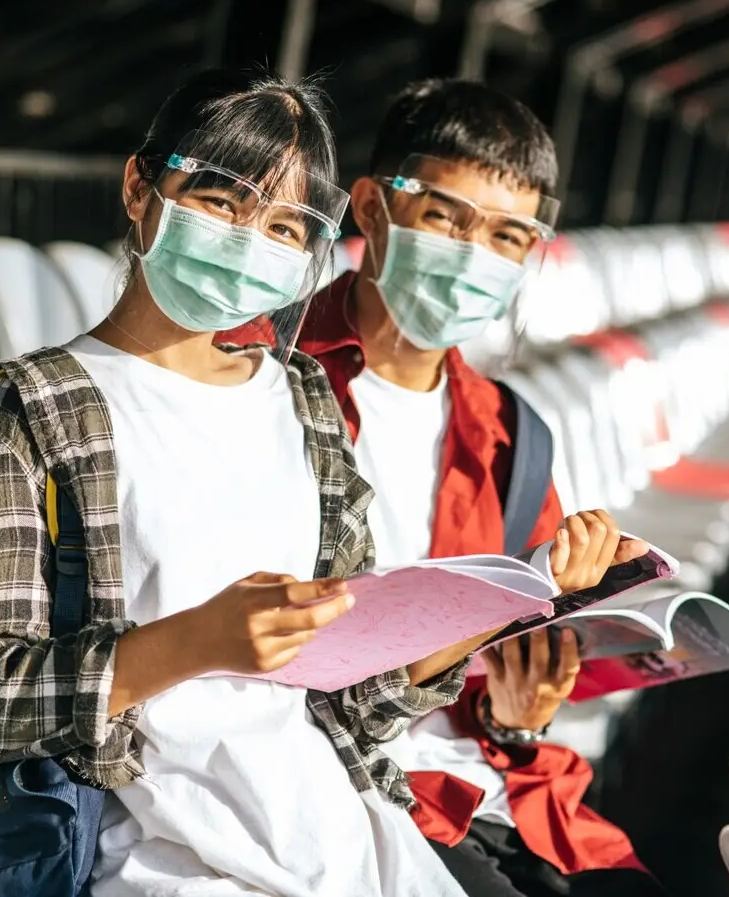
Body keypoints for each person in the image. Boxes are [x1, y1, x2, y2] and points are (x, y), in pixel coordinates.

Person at [0, 68, 509, 897]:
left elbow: (347, 705)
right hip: (165, 863)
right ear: (140, 185)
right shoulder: (39, 405)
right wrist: (193, 644)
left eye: (281, 226)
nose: (248, 242)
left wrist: (482, 617)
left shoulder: (302, 397)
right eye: (220, 202)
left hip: (344, 842)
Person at [226, 79, 670, 897]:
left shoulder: (510, 431)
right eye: (444, 217)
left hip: (489, 787)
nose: (474, 255)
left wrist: (517, 712)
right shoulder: (248, 375)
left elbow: (497, 670)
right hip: (330, 791)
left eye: (508, 235)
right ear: (369, 208)